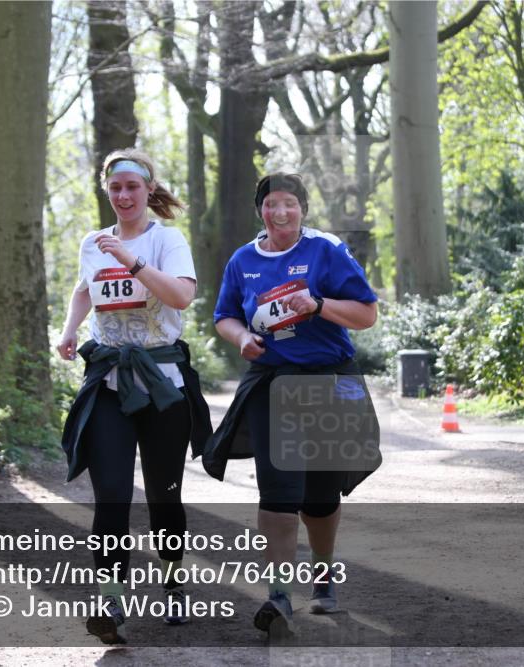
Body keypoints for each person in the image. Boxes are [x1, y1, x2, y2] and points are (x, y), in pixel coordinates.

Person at [204, 172, 381, 637]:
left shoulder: (326, 250)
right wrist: (242, 337)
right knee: (278, 493)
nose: (280, 213)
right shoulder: (244, 260)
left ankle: (323, 581)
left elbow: (366, 314)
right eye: (271, 205)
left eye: (290, 204)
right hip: (272, 383)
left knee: (320, 497)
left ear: (303, 208)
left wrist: (317, 304)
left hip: (328, 381)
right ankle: (278, 596)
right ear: (259, 210)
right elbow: (224, 315)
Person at [58, 148, 211, 644]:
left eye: (132, 187)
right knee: (111, 498)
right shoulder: (92, 242)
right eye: (115, 188)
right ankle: (111, 601)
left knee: (165, 497)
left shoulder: (167, 239)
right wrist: (68, 330)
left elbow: (181, 297)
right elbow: (85, 288)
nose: (123, 196)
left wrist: (133, 261)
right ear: (108, 191)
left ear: (148, 190)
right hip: (108, 382)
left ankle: (171, 576)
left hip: (162, 384)